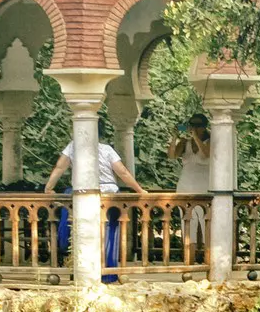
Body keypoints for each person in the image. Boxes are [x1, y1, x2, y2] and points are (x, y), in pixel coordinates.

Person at [44, 125, 147, 281]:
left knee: (79, 230)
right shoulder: (106, 150)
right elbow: (122, 172)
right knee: (108, 231)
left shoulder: (73, 147)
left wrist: (49, 187)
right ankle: (107, 274)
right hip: (109, 196)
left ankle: (81, 273)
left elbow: (60, 167)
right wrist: (140, 190)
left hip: (82, 194)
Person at [169, 114, 211, 262]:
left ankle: (208, 261)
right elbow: (172, 155)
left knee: (206, 223)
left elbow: (206, 154)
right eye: (192, 124)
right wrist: (174, 137)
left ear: (204, 126)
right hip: (185, 186)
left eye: (198, 125)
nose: (194, 127)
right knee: (187, 223)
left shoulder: (209, 141)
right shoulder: (185, 143)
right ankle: (189, 261)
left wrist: (196, 138)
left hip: (203, 187)